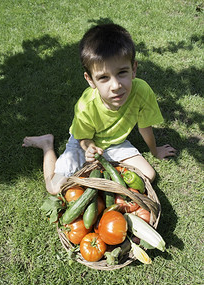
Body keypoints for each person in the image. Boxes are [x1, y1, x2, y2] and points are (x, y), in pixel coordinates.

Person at [22, 24, 176, 195]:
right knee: (54, 188)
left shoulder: (142, 91)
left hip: (115, 143)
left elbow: (144, 126)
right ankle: (47, 145)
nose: (116, 86)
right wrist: (89, 148)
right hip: (85, 143)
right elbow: (83, 137)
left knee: (149, 175)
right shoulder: (85, 106)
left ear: (133, 69)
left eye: (122, 72)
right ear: (90, 80)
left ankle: (99, 170)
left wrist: (155, 151)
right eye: (103, 77)